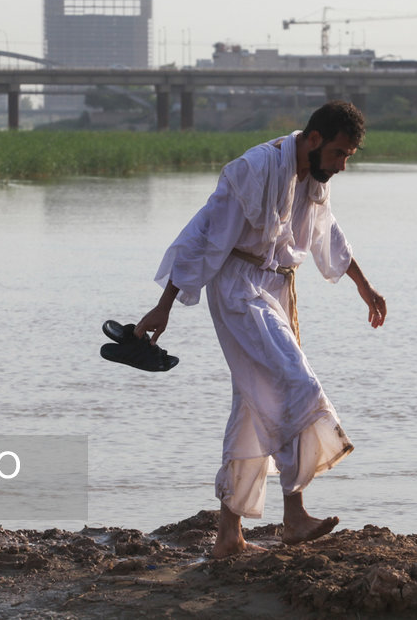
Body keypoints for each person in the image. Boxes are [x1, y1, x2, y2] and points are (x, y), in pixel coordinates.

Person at [136, 100, 387, 558]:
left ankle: (227, 537)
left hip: (278, 289)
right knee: (294, 381)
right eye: (338, 153)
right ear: (313, 140)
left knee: (254, 405)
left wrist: (364, 287)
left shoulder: (315, 178)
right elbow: (205, 234)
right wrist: (165, 304)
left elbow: (327, 236)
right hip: (237, 289)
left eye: (348, 156)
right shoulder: (254, 169)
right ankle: (294, 515)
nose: (342, 165)